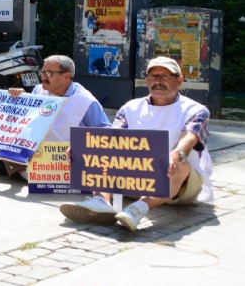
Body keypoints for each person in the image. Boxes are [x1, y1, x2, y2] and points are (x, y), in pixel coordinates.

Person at [59, 56, 213, 231]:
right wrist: (85, 148)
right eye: (153, 76)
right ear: (146, 80)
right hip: (135, 178)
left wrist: (175, 156)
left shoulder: (196, 110)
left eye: (165, 76)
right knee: (100, 150)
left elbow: (189, 138)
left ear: (179, 81)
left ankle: (138, 209)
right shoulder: (130, 108)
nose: (158, 81)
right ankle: (101, 201)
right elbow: (111, 138)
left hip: (179, 184)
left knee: (178, 163)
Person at [0, 55, 112, 181]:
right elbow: (28, 118)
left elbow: (106, 133)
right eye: (43, 72)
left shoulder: (86, 101)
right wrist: (21, 98)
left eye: (49, 73)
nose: (43, 77)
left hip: (67, 156)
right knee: (11, 143)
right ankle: (23, 170)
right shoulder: (39, 90)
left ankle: (22, 172)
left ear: (66, 76)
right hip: (40, 151)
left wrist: (81, 146)